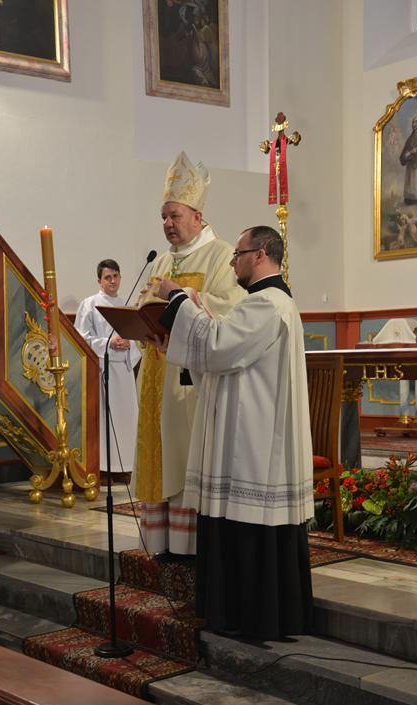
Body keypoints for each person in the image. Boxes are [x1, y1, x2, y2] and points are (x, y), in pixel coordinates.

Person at [156, 225, 314, 640]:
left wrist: (177, 299)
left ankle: (249, 617)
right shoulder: (266, 303)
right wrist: (177, 345)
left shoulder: (267, 304)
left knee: (247, 525)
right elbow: (223, 358)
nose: (232, 263)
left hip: (253, 439)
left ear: (259, 254)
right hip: (251, 430)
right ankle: (244, 615)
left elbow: (219, 346)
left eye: (237, 254)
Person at [132, 151, 243, 556]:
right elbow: (145, 307)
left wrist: (182, 295)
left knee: (185, 458)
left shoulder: (221, 255)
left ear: (197, 216)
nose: (167, 223)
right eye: (163, 216)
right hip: (155, 376)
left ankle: (188, 546)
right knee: (158, 455)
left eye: (174, 215)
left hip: (190, 380)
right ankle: (160, 543)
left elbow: (230, 308)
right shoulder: (160, 260)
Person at [74, 260, 141, 477]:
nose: (112, 281)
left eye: (115, 276)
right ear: (99, 281)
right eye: (107, 277)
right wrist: (108, 343)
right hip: (103, 369)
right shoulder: (90, 304)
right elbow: (81, 338)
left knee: (127, 419)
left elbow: (138, 338)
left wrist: (131, 343)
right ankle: (103, 469)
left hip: (125, 370)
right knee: (104, 419)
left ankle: (126, 468)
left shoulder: (126, 305)